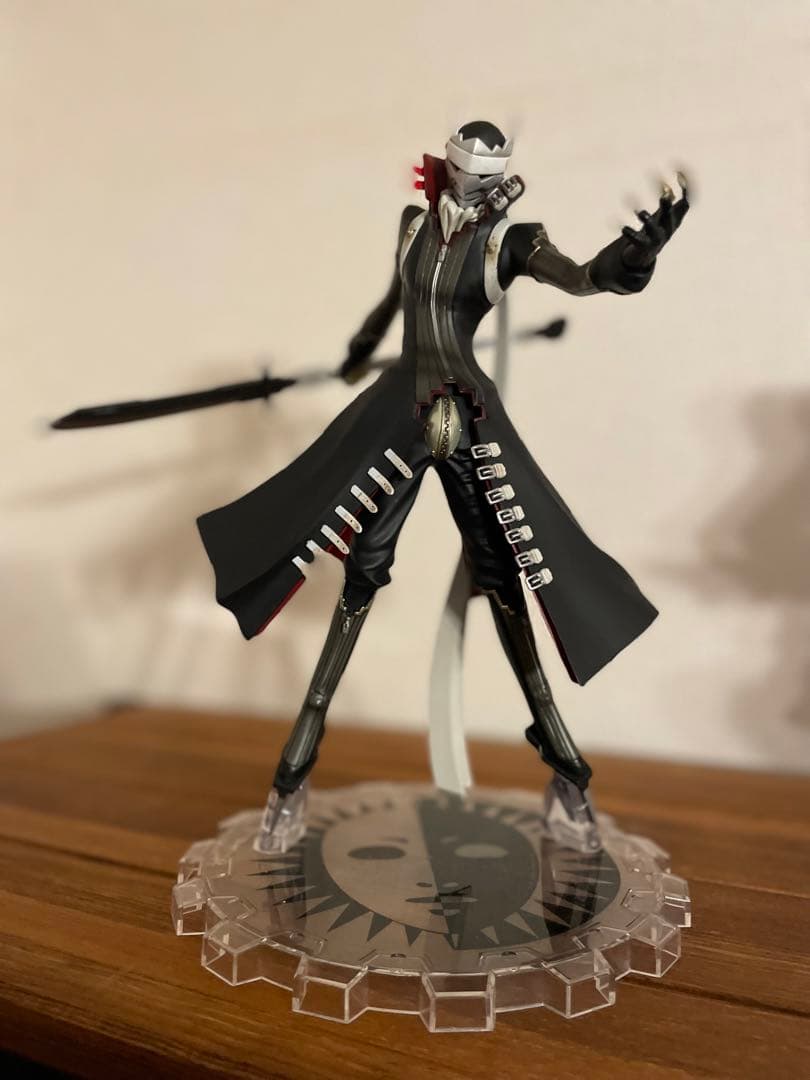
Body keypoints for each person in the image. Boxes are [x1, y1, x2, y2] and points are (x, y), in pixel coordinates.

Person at [197, 120, 689, 849]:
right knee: (361, 568)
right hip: (398, 411)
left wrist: (632, 258)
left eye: (489, 177)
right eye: (467, 171)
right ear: (450, 165)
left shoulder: (511, 241)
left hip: (466, 419)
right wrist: (359, 350)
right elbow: (394, 301)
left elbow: (582, 278)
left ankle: (565, 770)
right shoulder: (413, 224)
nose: (476, 185)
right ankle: (294, 771)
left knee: (506, 572)